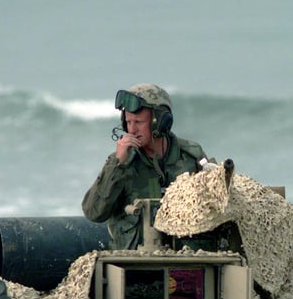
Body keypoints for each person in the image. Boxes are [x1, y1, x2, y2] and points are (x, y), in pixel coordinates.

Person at [82, 83, 208, 249]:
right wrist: (118, 165)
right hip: (134, 262)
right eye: (128, 122)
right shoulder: (122, 161)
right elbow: (94, 212)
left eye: (139, 122)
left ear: (160, 122)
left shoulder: (191, 156)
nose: (131, 130)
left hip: (185, 258)